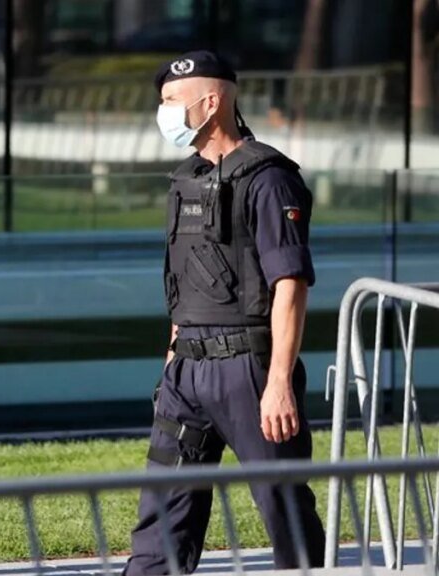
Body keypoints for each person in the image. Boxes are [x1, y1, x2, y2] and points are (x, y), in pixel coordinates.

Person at [122, 51, 326, 575]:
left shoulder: (268, 178)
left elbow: (290, 283)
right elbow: (182, 282)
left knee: (283, 510)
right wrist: (171, 362)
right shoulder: (184, 180)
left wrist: (278, 381)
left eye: (171, 101)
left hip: (249, 370)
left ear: (210, 103)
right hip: (187, 369)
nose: (162, 112)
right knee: (162, 513)